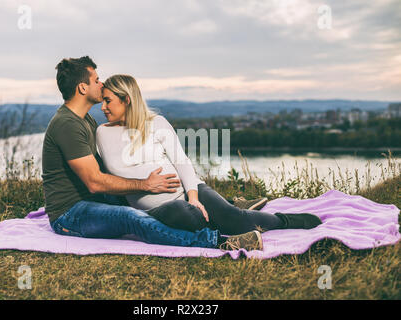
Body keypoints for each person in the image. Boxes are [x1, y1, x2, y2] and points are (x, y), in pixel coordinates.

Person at [42, 56, 265, 252]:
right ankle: (217, 242)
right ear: (82, 88)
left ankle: (229, 206)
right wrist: (145, 185)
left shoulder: (85, 119)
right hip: (70, 214)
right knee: (130, 217)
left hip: (94, 200)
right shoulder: (67, 124)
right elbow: (94, 182)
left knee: (132, 201)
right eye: (96, 80)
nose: (101, 84)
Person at [96, 74, 323, 235]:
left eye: (108, 101)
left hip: (190, 190)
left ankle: (282, 220)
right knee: (187, 215)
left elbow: (181, 162)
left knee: (235, 222)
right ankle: (227, 209)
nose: (103, 107)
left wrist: (193, 196)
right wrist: (145, 185)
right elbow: (108, 177)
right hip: (157, 208)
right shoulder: (102, 134)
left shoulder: (156, 123)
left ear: (126, 100)